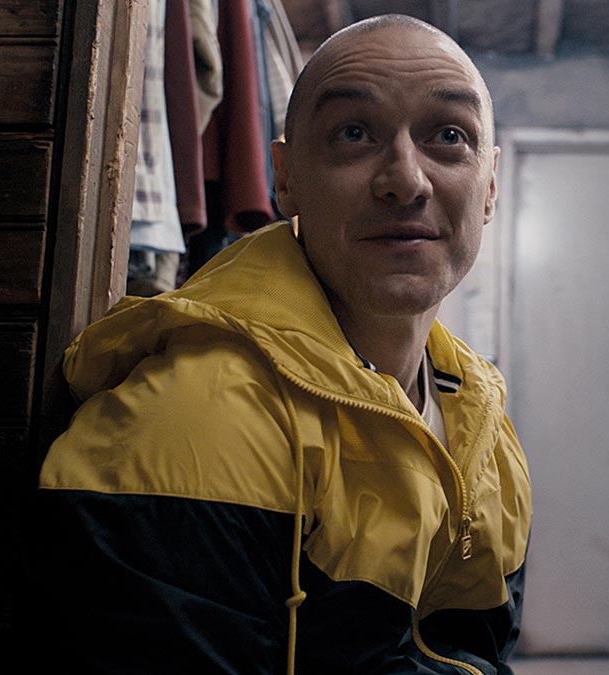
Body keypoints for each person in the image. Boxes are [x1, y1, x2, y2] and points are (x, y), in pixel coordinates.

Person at [29, 13, 532, 675]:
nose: (406, 180)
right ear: (285, 177)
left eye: (448, 136)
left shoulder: (480, 418)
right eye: (354, 133)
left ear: (489, 186)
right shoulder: (193, 418)